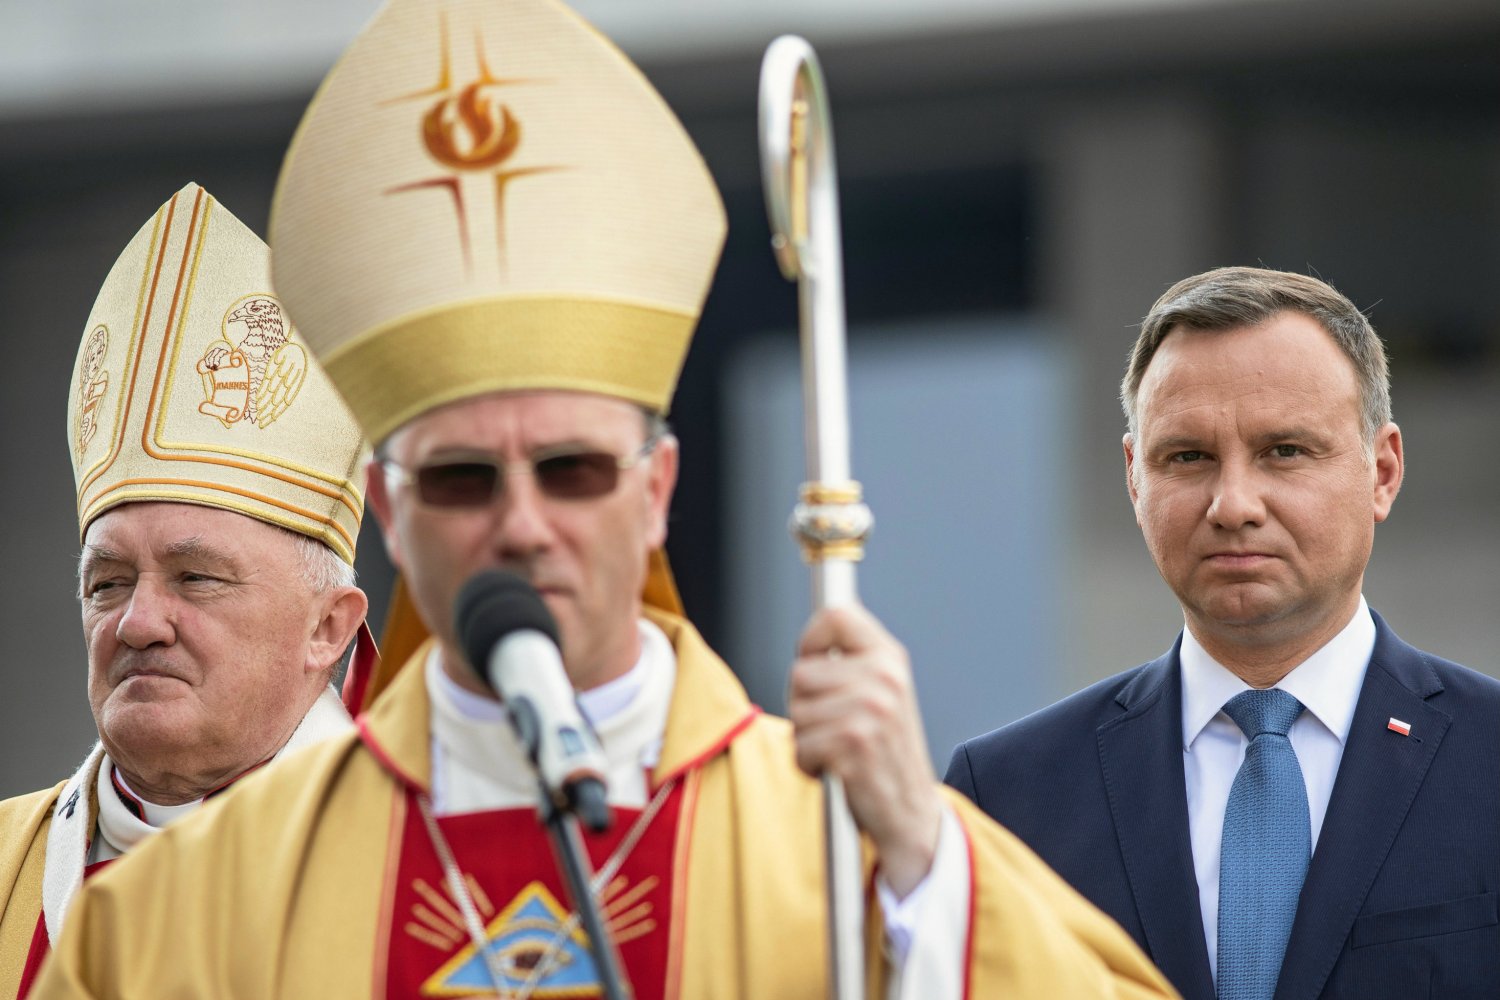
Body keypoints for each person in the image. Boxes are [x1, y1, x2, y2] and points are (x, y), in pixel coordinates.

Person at [31, 2, 1177, 998]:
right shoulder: (192, 907)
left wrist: (925, 864)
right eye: (464, 478)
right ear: (390, 509)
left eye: (571, 470)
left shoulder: (833, 841)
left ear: (657, 489)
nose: (521, 523)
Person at [947, 266, 1500, 999]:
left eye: (1285, 451)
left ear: (1383, 471)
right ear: (1134, 478)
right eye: (1188, 457)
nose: (1233, 504)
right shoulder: (1006, 800)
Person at [0, 183, 371, 998]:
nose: (137, 623)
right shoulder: (4, 869)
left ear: (329, 627)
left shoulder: (429, 878)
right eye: (107, 582)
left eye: (197, 578)